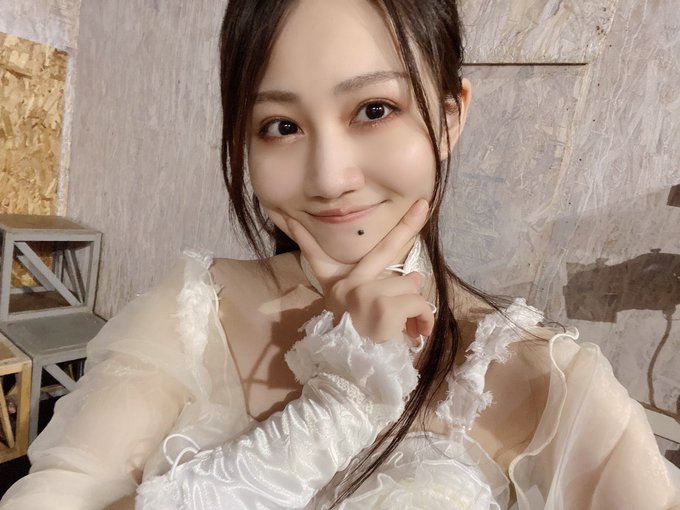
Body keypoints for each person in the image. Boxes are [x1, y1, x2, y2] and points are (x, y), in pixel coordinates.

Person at [2, 0, 680, 508]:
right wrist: (337, 408)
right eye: (281, 126)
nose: (328, 178)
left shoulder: (554, 384)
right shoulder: (190, 311)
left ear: (449, 117)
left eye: (374, 110)